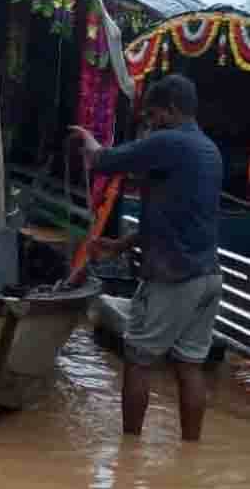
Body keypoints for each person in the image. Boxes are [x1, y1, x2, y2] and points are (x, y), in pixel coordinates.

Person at [71, 73, 224, 442]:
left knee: (138, 358)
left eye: (153, 115)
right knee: (190, 366)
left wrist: (88, 141)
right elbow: (181, 218)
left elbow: (103, 161)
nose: (150, 124)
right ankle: (190, 451)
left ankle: (129, 451)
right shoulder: (209, 151)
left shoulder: (169, 142)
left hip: (173, 279)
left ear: (171, 111)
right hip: (207, 277)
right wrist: (123, 245)